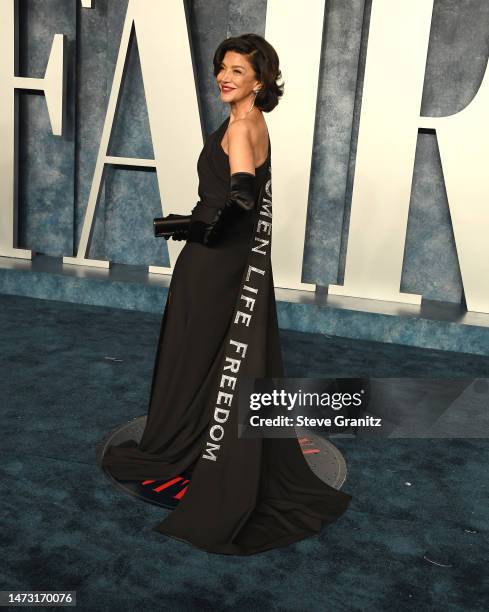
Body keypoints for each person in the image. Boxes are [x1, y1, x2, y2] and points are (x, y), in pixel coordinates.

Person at [101, 33, 352, 555]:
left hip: (214, 264)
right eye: (223, 67)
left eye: (238, 70)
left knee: (195, 352)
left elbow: (239, 194)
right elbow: (246, 196)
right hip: (237, 261)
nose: (225, 76)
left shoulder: (241, 126)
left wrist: (196, 228)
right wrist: (201, 220)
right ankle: (201, 433)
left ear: (259, 81)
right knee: (218, 355)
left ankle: (186, 444)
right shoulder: (257, 122)